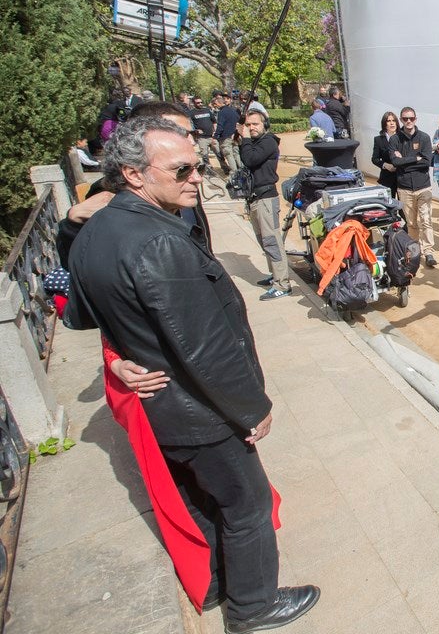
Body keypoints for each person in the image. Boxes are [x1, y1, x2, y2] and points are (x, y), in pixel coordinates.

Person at [65, 114, 320, 633]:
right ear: (135, 175)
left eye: (197, 167)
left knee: (205, 499)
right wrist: (251, 407)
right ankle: (253, 606)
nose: (197, 179)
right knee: (244, 505)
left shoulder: (93, 231)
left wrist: (121, 355)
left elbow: (76, 313)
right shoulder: (158, 243)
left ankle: (217, 584)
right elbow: (204, 348)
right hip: (199, 411)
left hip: (163, 408)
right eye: (182, 170)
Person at [239, 110, 291, 300]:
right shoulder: (253, 143)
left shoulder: (268, 141)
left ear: (264, 125)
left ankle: (282, 284)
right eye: (248, 125)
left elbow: (250, 160)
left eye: (255, 124)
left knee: (272, 241)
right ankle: (275, 275)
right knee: (263, 240)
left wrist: (244, 140)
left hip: (266, 198)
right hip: (254, 198)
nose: (251, 128)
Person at [389, 107, 436, 268]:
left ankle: (429, 252)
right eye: (405, 118)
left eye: (411, 118)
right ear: (401, 120)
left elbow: (427, 161)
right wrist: (415, 158)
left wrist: (406, 161)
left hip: (423, 186)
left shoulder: (424, 138)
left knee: (426, 220)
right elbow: (395, 163)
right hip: (405, 188)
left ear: (416, 118)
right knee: (411, 223)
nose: (408, 121)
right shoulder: (395, 139)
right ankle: (415, 251)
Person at [212, 91, 240, 174]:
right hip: (235, 136)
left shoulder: (221, 112)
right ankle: (242, 169)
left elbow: (220, 126)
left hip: (226, 138)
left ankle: (234, 173)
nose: (214, 106)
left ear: (218, 103)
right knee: (236, 154)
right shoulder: (233, 111)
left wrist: (215, 137)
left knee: (229, 155)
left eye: (215, 104)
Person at [371, 111, 399, 195]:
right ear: (384, 124)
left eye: (394, 121)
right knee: (389, 205)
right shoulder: (378, 140)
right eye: (388, 121)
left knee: (403, 206)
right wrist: (385, 165)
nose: (392, 123)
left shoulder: (403, 138)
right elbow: (374, 159)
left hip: (402, 178)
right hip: (387, 178)